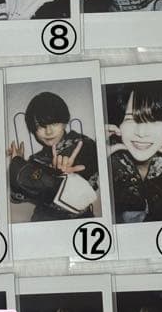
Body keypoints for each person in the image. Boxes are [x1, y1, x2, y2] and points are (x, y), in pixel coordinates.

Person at [7, 91, 100, 222]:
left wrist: (20, 167)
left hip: (78, 222)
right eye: (40, 126)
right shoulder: (35, 159)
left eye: (54, 123)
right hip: (41, 223)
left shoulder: (83, 145)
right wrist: (17, 163)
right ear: (33, 130)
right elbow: (16, 197)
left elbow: (82, 194)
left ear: (64, 122)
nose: (48, 131)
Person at [105, 82, 162, 223]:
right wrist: (97, 166)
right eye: (130, 119)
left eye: (154, 121)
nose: (141, 133)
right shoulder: (109, 161)